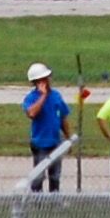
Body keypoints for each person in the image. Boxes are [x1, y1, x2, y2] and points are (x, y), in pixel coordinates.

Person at [23, 63, 71, 192]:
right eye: (44, 78)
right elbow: (32, 113)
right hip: (40, 144)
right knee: (38, 177)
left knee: (55, 176)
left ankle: (53, 201)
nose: (48, 80)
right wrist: (43, 96)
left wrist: (68, 138)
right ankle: (37, 200)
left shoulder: (56, 96)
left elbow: (63, 117)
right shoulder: (31, 98)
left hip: (55, 142)